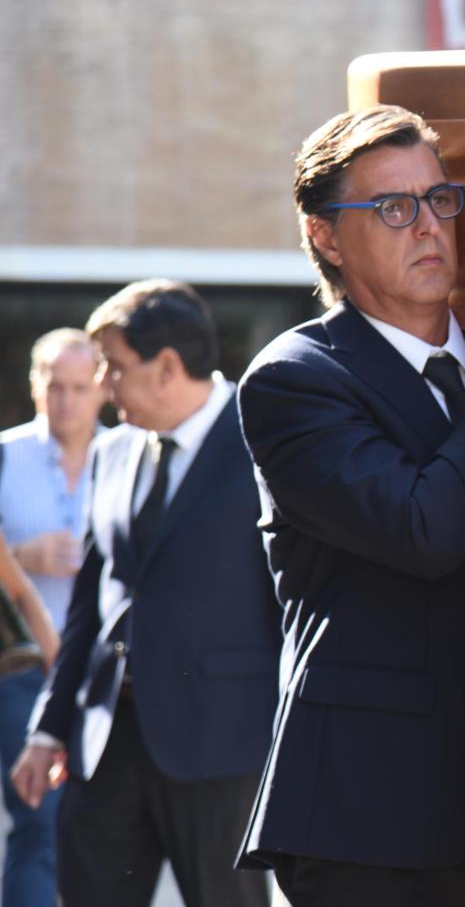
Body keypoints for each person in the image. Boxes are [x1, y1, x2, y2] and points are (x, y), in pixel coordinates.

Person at [236, 104, 465, 905]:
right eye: (393, 208)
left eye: (441, 200)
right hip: (372, 817)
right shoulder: (296, 379)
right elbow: (423, 527)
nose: (429, 228)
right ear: (325, 236)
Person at [8, 280, 280, 906]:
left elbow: (291, 602)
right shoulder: (113, 451)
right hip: (106, 742)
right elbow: (88, 607)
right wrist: (50, 728)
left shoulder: (264, 444)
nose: (103, 383)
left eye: (113, 367)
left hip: (221, 748)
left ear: (166, 369)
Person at [0, 327, 97, 906]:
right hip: (24, 672)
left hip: (100, 672)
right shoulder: (6, 456)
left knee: (97, 829)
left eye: (78, 387)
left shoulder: (126, 454)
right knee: (39, 820)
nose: (65, 400)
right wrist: (24, 558)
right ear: (35, 385)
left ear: (99, 390)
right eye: (54, 385)